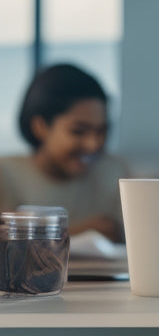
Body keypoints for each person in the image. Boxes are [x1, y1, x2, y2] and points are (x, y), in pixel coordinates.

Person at [0, 63, 126, 241]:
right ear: (40, 126)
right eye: (78, 131)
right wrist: (74, 233)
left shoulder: (115, 173)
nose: (93, 144)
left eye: (101, 131)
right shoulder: (6, 175)